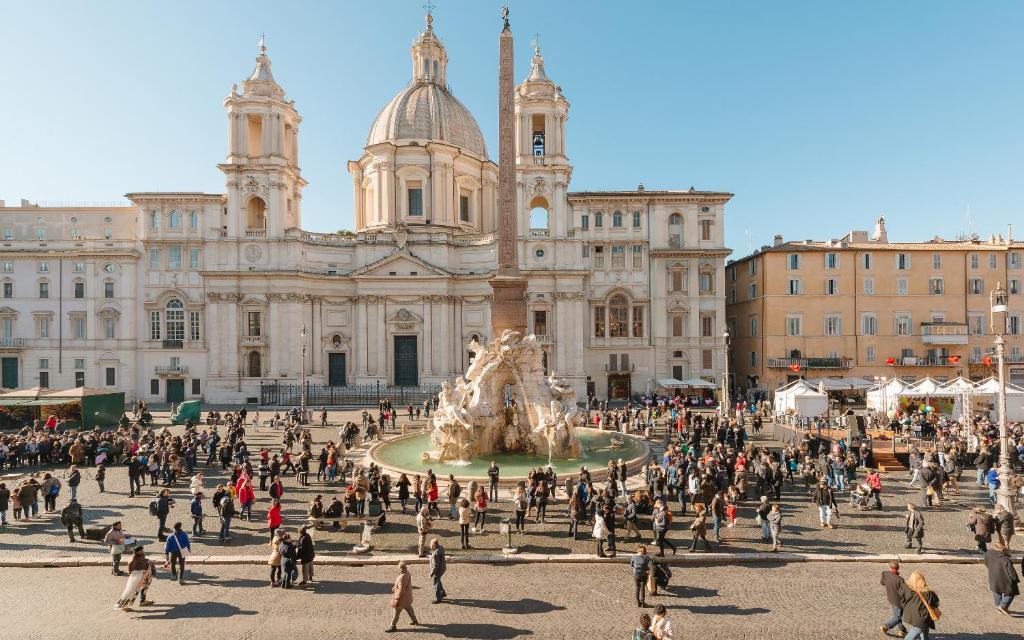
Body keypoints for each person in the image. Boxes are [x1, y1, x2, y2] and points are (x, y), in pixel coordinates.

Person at [899, 570, 939, 639]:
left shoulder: (907, 590)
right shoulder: (929, 593)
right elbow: (935, 604)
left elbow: (902, 601)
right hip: (922, 618)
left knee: (924, 631)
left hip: (911, 616)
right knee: (916, 632)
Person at [985, 541, 1020, 614]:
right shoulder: (1005, 559)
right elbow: (1011, 572)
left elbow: (986, 563)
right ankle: (1003, 606)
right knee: (1012, 591)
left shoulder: (988, 554)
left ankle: (999, 608)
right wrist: (1016, 579)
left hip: (993, 576)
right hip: (1005, 579)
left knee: (996, 591)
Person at [386, 561, 419, 633]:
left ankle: (393, 626)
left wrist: (397, 597)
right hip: (407, 596)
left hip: (402, 598)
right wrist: (395, 588)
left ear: (401, 568)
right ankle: (414, 620)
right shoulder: (408, 573)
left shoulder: (402, 577)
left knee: (396, 612)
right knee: (409, 608)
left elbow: (401, 589)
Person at [879, 560, 907, 637]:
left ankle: (902, 631)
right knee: (898, 617)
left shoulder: (885, 574)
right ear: (898, 568)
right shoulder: (900, 580)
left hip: (891, 598)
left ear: (890, 567)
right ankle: (885, 626)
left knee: (897, 615)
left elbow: (882, 583)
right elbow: (904, 593)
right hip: (898, 601)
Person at [429, 538, 447, 603]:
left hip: (438, 570)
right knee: (438, 580)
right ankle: (442, 592)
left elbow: (435, 565)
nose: (430, 545)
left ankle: (438, 598)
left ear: (434, 545)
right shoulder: (441, 547)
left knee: (436, 583)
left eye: (431, 544)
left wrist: (431, 573)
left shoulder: (435, 553)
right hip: (443, 567)